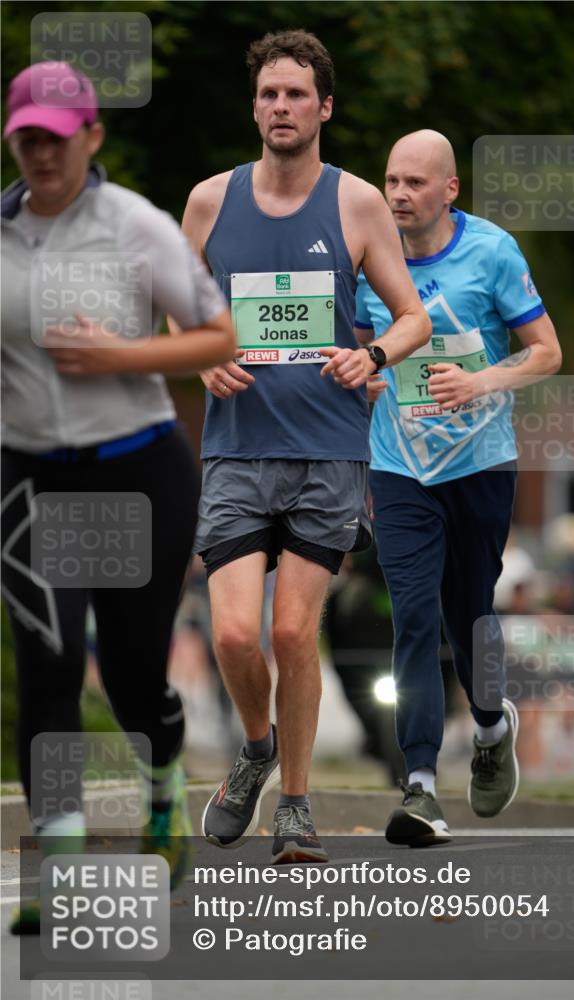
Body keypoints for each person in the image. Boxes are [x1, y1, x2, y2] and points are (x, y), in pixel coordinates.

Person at [179, 30, 430, 864]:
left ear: (323, 108)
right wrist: (204, 350)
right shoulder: (210, 201)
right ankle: (255, 749)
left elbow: (412, 316)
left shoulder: (356, 202)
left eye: (295, 95)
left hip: (327, 452)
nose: (279, 108)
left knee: (293, 635)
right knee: (233, 638)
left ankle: (292, 806)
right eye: (267, 95)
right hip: (237, 452)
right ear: (254, 107)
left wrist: (375, 354)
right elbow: (172, 308)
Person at [1, 61, 237, 932]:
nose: (40, 155)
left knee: (136, 678)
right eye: (25, 138)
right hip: (31, 479)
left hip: (140, 471)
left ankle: (164, 795)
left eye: (56, 139)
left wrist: (121, 356)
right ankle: (59, 871)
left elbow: (220, 333)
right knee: (51, 668)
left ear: (91, 138)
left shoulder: (135, 226)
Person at [354, 129, 562, 845]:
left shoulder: (492, 252)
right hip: (400, 464)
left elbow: (546, 352)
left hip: (479, 464)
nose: (399, 195)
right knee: (410, 613)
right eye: (391, 181)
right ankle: (417, 785)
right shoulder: (366, 252)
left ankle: (486, 725)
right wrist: (369, 372)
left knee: (467, 612)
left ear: (449, 191)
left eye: (415, 183)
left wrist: (480, 380)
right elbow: (357, 350)